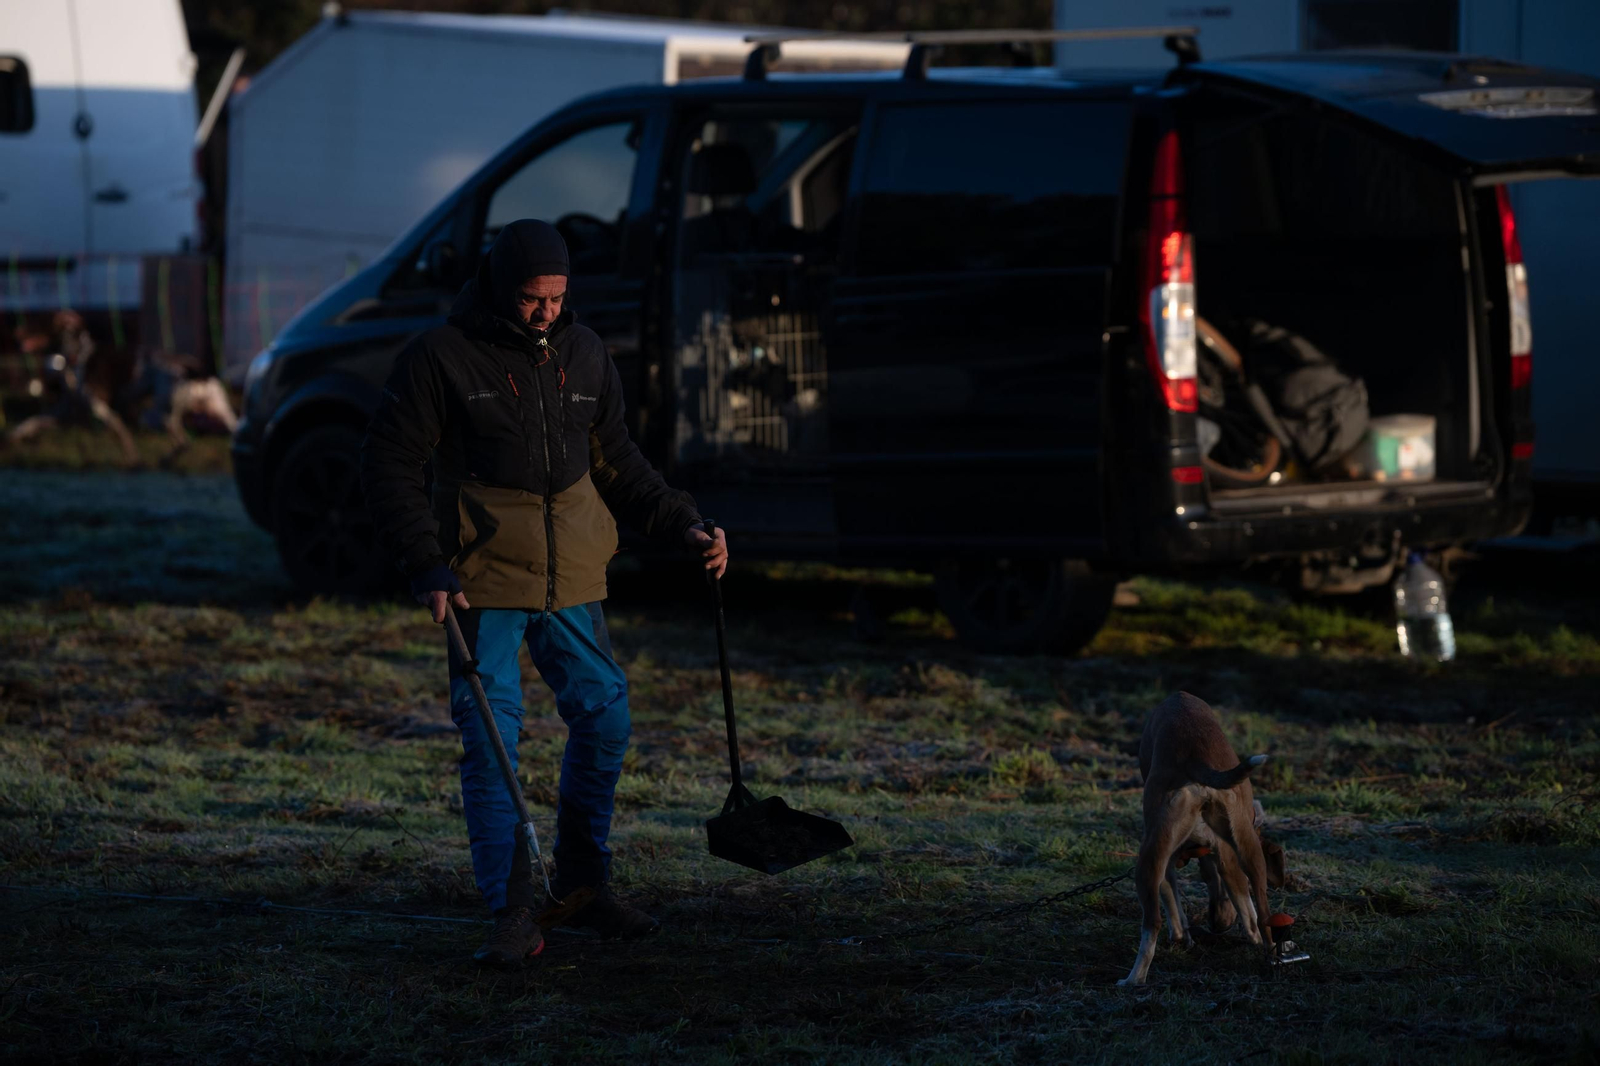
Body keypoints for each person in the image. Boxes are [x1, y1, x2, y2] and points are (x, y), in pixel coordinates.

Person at [360, 219, 728, 967]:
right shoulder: (441, 356)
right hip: (481, 578)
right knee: (493, 740)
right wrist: (425, 562)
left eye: (558, 298)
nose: (547, 313)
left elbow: (616, 456)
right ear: (501, 288)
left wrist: (683, 520)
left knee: (608, 720)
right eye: (533, 299)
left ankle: (586, 884)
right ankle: (514, 908)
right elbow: (390, 461)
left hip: (573, 575)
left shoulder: (585, 352)